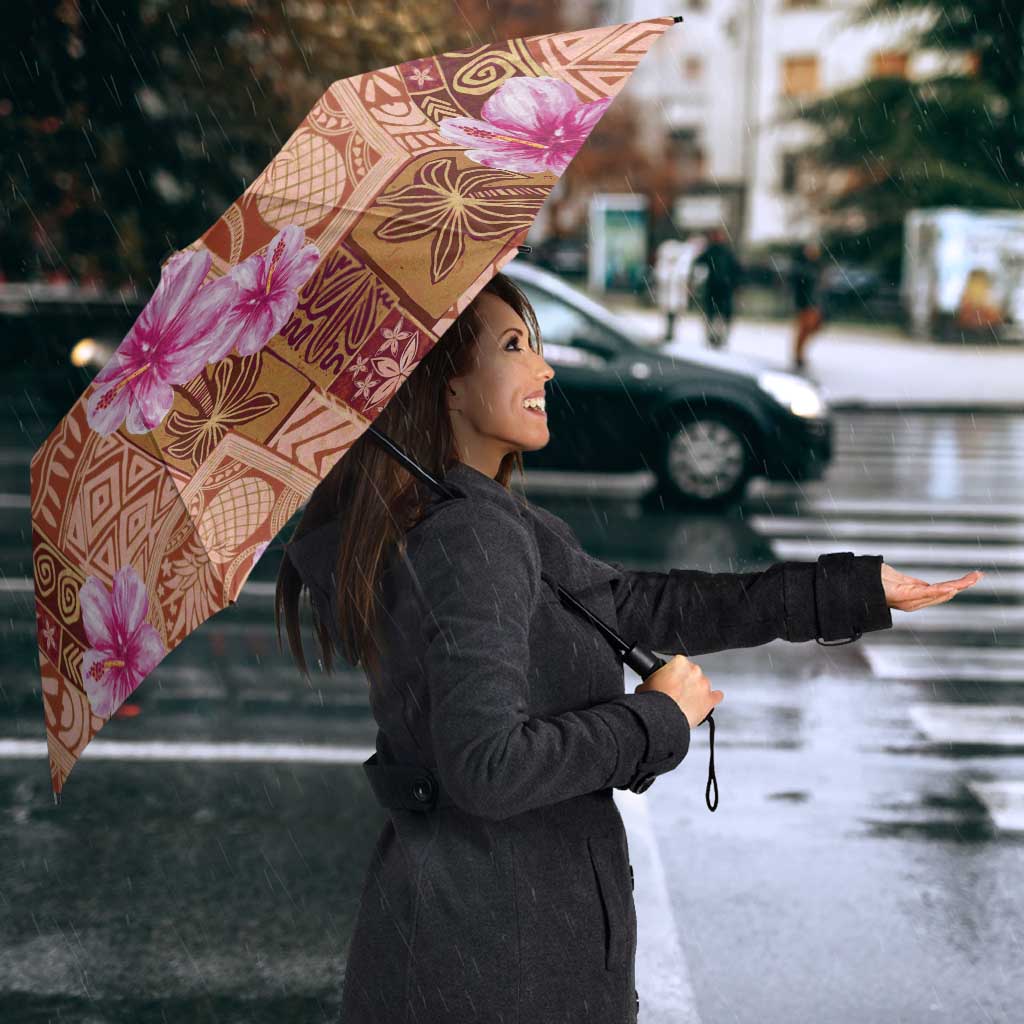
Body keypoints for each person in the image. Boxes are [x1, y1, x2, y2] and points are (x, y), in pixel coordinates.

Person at [276, 271, 978, 1024]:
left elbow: (639, 605)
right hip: (500, 962)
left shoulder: (471, 518)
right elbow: (487, 767)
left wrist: (849, 591)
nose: (544, 368)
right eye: (513, 347)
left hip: (475, 941)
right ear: (446, 385)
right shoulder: (471, 536)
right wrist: (656, 719)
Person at [692, 226, 742, 349]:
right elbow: (698, 263)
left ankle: (719, 337)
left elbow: (736, 270)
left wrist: (735, 284)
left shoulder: (724, 252)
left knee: (719, 315)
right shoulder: (714, 251)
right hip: (716, 288)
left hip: (722, 289)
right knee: (714, 314)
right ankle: (713, 337)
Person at [790, 239, 826, 370]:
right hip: (805, 303)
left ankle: (799, 354)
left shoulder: (816, 266)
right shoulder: (802, 267)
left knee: (812, 327)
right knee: (804, 329)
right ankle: (798, 355)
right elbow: (799, 286)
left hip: (814, 303)